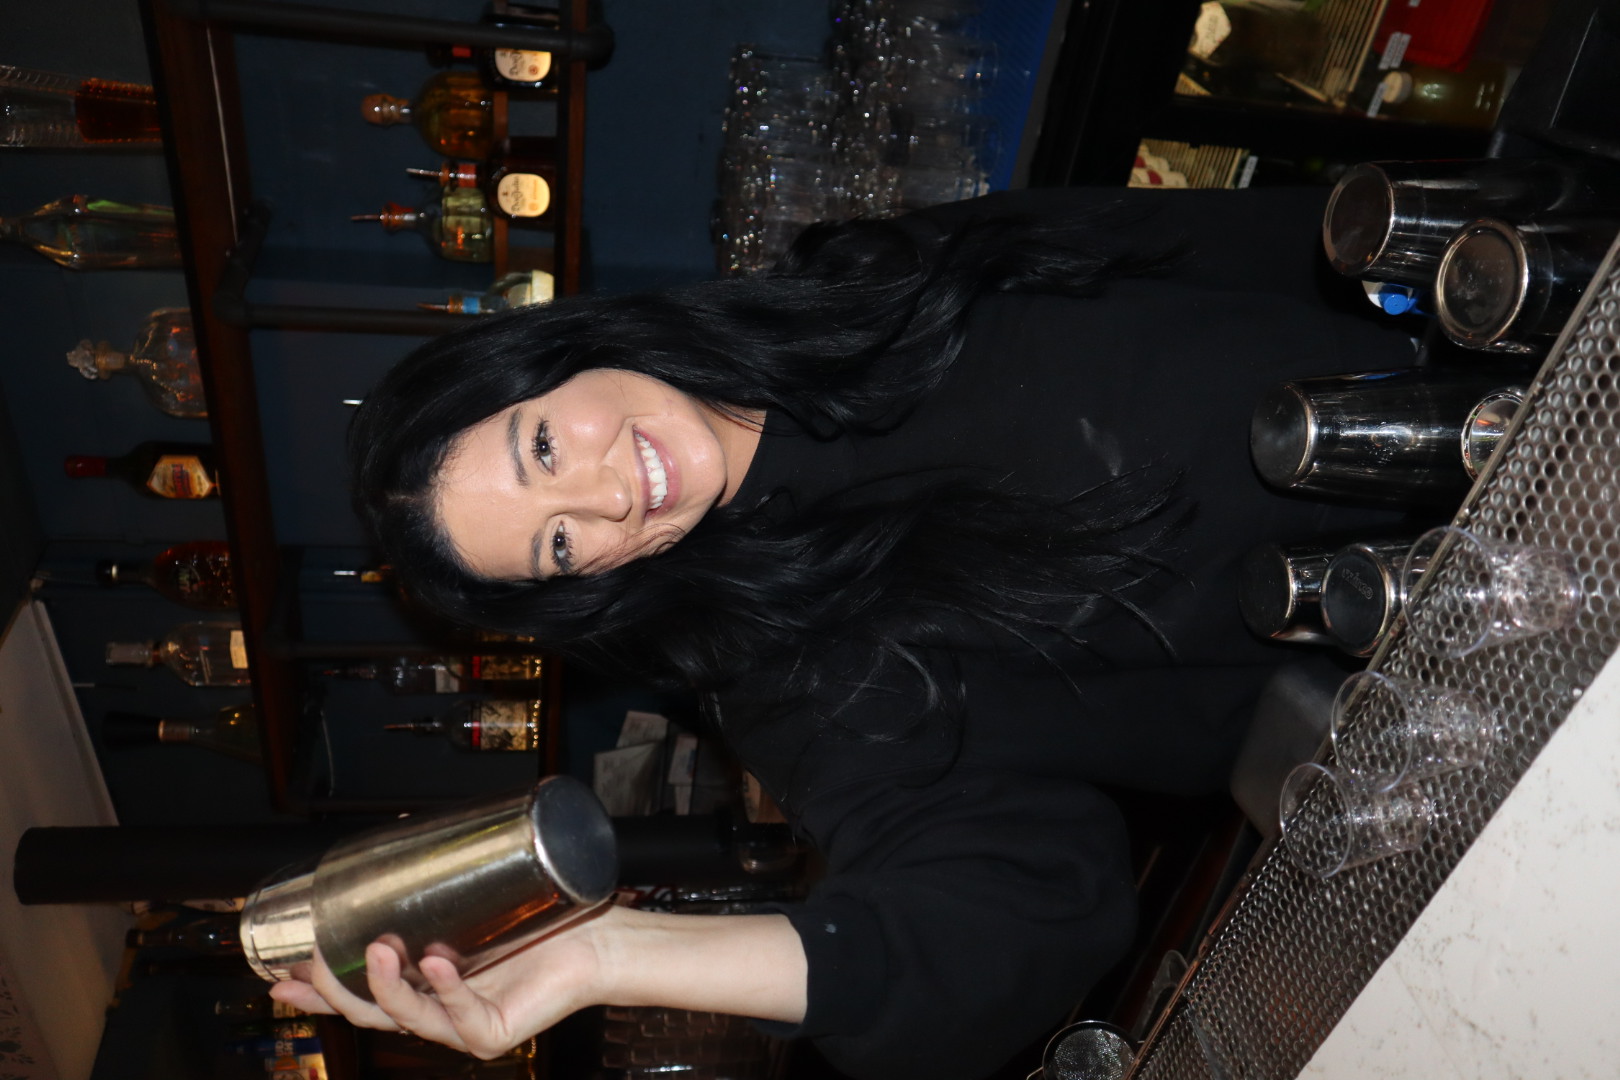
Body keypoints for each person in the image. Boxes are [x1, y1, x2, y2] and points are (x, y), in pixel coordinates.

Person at [273, 186, 1414, 1078]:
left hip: (1489, 386)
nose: (609, 499)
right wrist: (608, 955)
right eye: (560, 546)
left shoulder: (875, 276)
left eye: (541, 450)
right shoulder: (793, 675)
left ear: (555, 352)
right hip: (1456, 656)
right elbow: (1004, 924)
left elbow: (1258, 242)